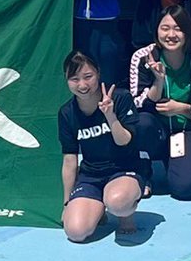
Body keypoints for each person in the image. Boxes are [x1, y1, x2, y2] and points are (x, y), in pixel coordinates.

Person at [58, 51, 143, 241]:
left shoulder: (120, 98)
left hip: (124, 169)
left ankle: (126, 216)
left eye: (88, 77)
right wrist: (66, 203)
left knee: (118, 202)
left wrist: (110, 115)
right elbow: (70, 159)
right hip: (91, 175)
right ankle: (97, 209)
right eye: (74, 79)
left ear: (98, 73)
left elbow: (124, 141)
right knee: (76, 232)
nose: (82, 85)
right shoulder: (66, 113)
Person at [129, 5, 191, 201]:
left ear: (188, 32)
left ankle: (175, 162)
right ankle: (143, 172)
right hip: (156, 130)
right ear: (156, 30)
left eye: (178, 28)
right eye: (165, 28)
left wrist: (182, 109)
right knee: (142, 123)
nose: (171, 34)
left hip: (185, 131)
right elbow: (136, 104)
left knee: (185, 189)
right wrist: (157, 81)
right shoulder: (142, 58)